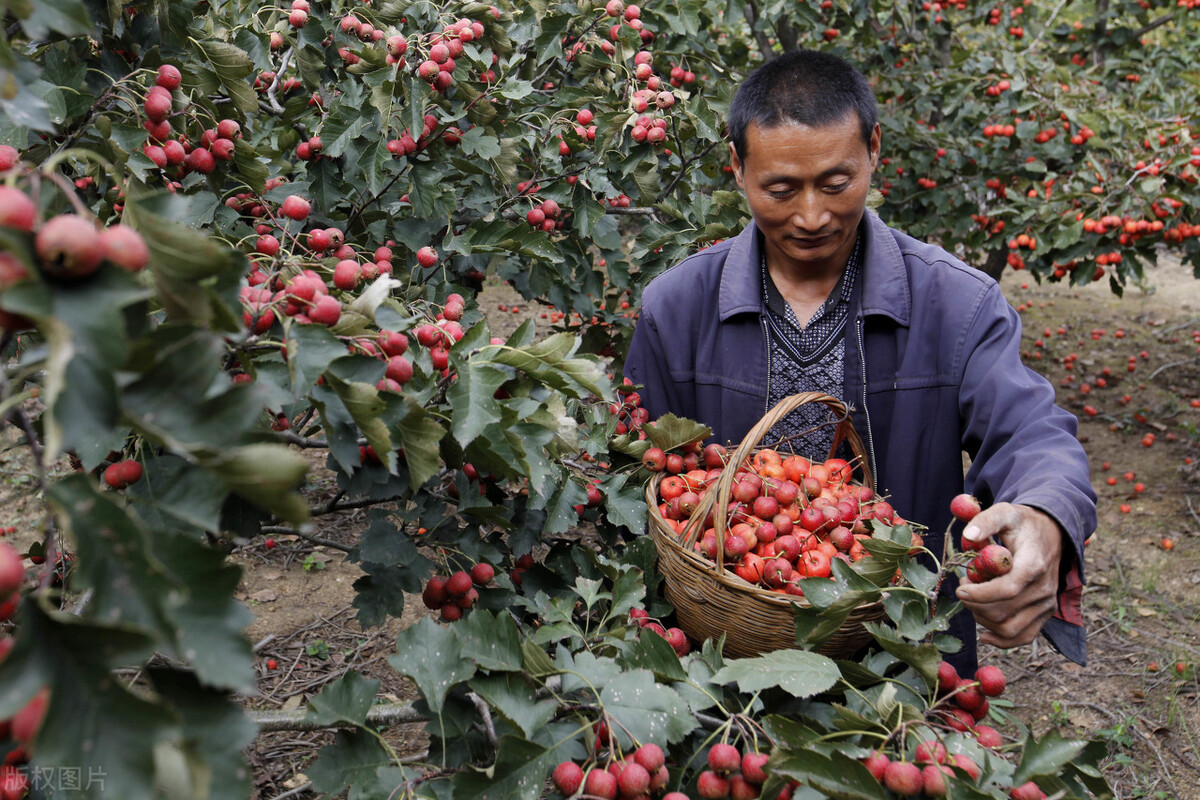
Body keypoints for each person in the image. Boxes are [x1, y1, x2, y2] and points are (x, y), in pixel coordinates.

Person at [623, 48, 1097, 673]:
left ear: (874, 149)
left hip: (901, 660)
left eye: (836, 183)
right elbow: (639, 474)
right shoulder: (676, 308)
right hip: (720, 657)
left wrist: (1043, 513)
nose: (812, 216)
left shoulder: (956, 305)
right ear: (737, 168)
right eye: (781, 189)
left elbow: (1031, 429)